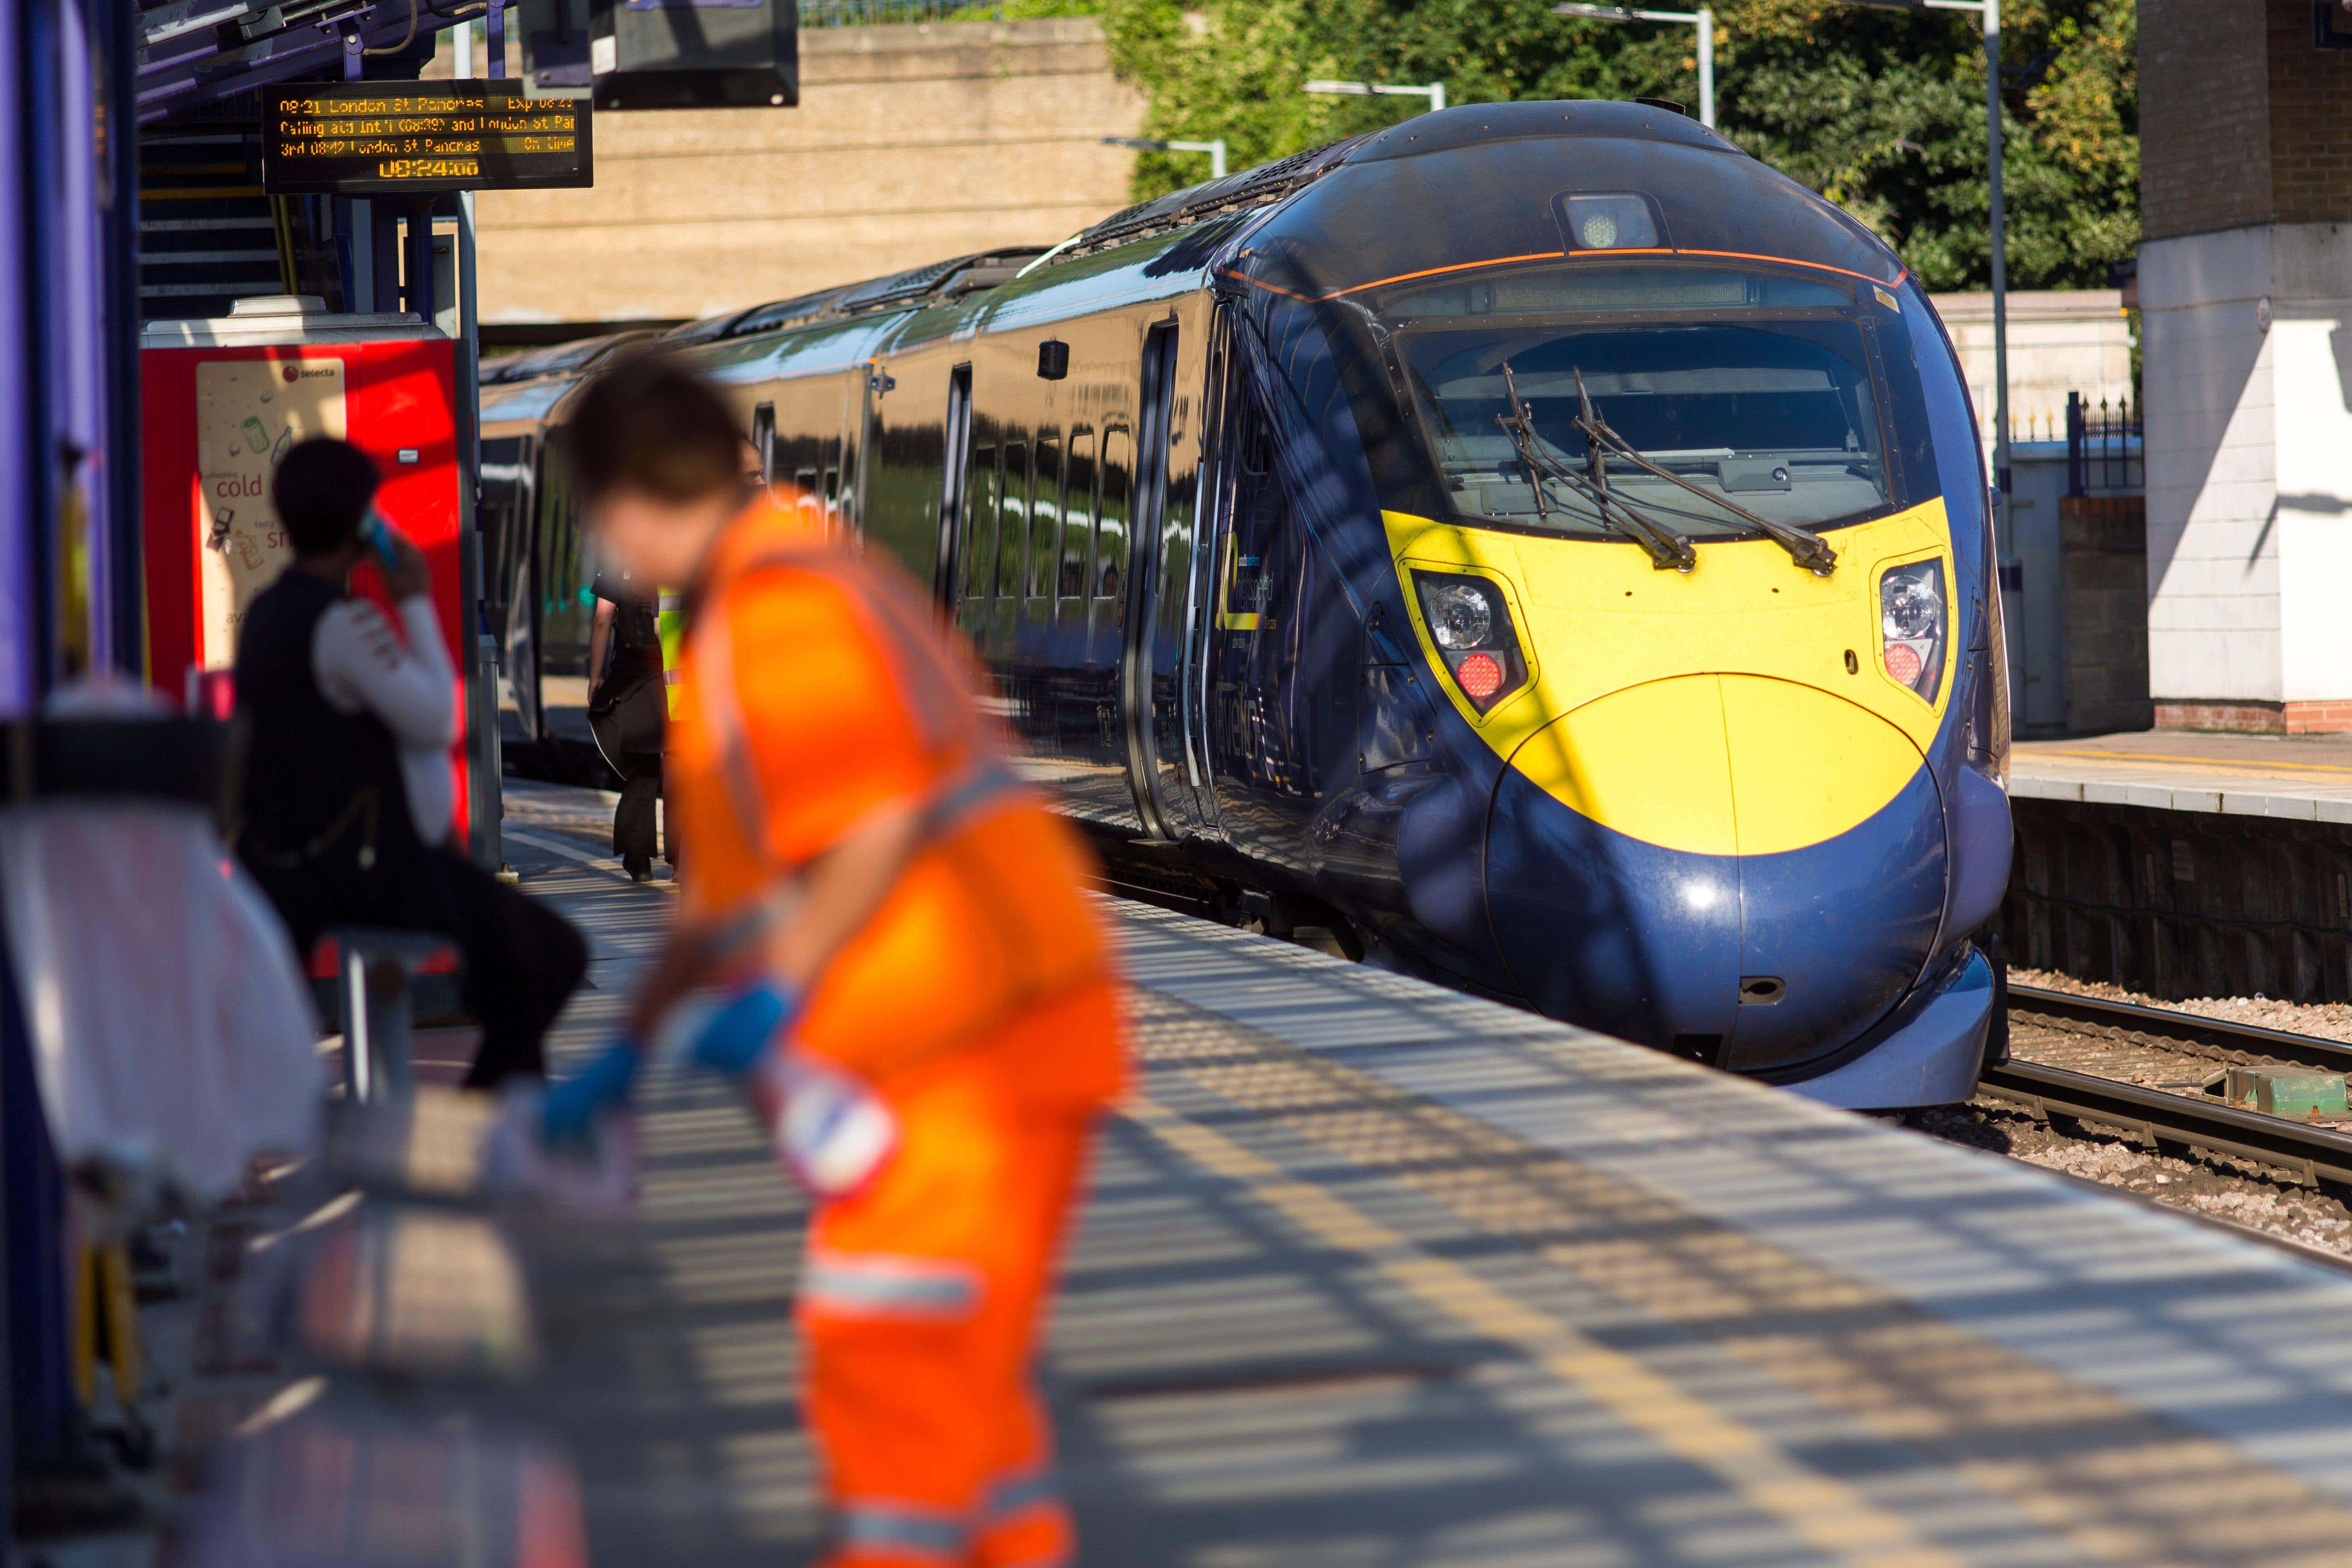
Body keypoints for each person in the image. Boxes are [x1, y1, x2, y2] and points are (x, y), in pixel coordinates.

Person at [540, 353, 1125, 1568]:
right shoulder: (773, 596)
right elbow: (719, 890)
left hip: (968, 1048)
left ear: (629, 497)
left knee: (888, 1361)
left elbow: (868, 824)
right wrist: (632, 1049)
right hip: (991, 1031)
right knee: (966, 1402)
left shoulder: (780, 610)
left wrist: (778, 991)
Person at [233, 438, 588, 1089]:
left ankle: (498, 1119)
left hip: (296, 867)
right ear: (364, 522)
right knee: (557, 954)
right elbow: (438, 720)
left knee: (508, 961)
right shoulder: (343, 624)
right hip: (367, 871)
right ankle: (483, 1118)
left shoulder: (265, 614)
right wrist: (416, 598)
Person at [586, 567, 667, 881]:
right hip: (674, 668)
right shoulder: (676, 551)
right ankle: (682, 857)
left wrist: (596, 675)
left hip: (631, 674)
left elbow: (602, 619)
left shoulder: (616, 558)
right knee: (678, 763)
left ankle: (639, 858)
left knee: (643, 765)